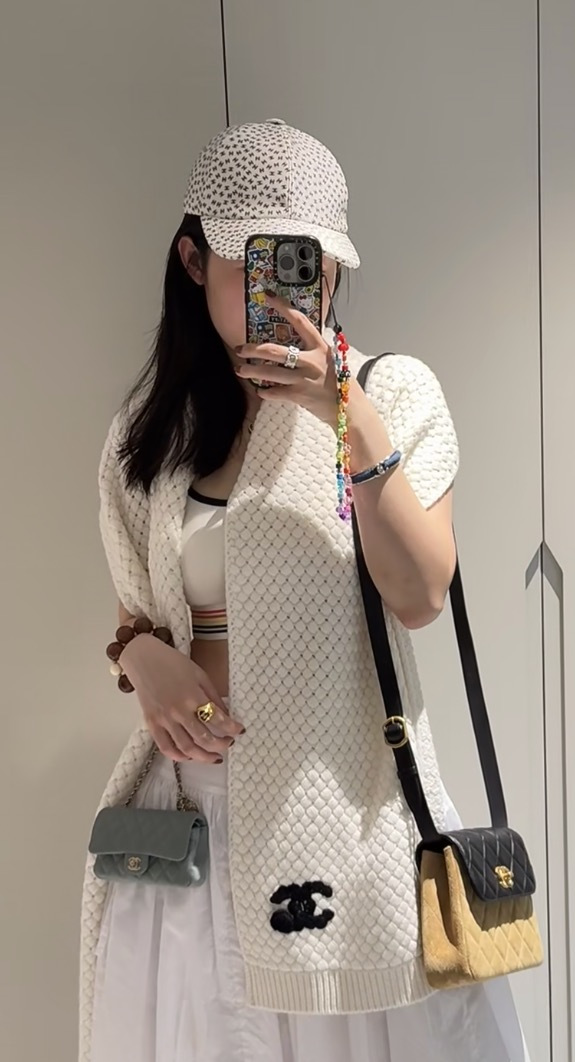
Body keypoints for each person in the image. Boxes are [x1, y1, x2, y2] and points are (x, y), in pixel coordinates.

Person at [80, 119, 529, 1062]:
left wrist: (344, 415)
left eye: (311, 262)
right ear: (193, 261)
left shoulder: (393, 394)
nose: (290, 286)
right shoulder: (148, 434)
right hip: (188, 824)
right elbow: (138, 613)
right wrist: (142, 658)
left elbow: (420, 595)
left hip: (348, 821)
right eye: (260, 259)